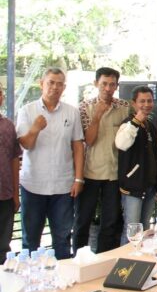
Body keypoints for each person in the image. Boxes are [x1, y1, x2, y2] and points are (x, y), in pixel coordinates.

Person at [16, 67, 84, 259]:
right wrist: (35, 129)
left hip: (63, 186)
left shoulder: (72, 112)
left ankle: (64, 275)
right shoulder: (27, 111)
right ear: (41, 84)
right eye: (51, 82)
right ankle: (31, 276)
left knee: (62, 239)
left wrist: (79, 179)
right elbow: (26, 144)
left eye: (59, 84)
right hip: (33, 185)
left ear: (64, 87)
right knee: (30, 240)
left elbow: (78, 146)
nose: (55, 87)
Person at [75, 67, 130, 253]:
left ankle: (105, 259)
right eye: (104, 84)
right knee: (83, 220)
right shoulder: (84, 107)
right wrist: (97, 116)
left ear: (117, 86)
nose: (107, 88)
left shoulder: (124, 107)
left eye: (112, 84)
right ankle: (79, 260)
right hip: (90, 173)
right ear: (96, 83)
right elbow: (88, 140)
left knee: (110, 221)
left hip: (114, 174)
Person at [115, 86, 157, 244]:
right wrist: (135, 122)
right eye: (142, 101)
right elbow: (121, 144)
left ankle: (142, 258)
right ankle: (125, 259)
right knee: (132, 230)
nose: (146, 104)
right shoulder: (128, 123)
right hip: (133, 188)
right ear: (133, 103)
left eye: (149, 101)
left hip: (150, 187)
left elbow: (156, 156)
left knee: (145, 229)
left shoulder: (150, 125)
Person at [0, 83, 21, 261]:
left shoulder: (8, 125)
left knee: (3, 246)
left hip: (5, 195)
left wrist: (15, 194)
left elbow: (15, 160)